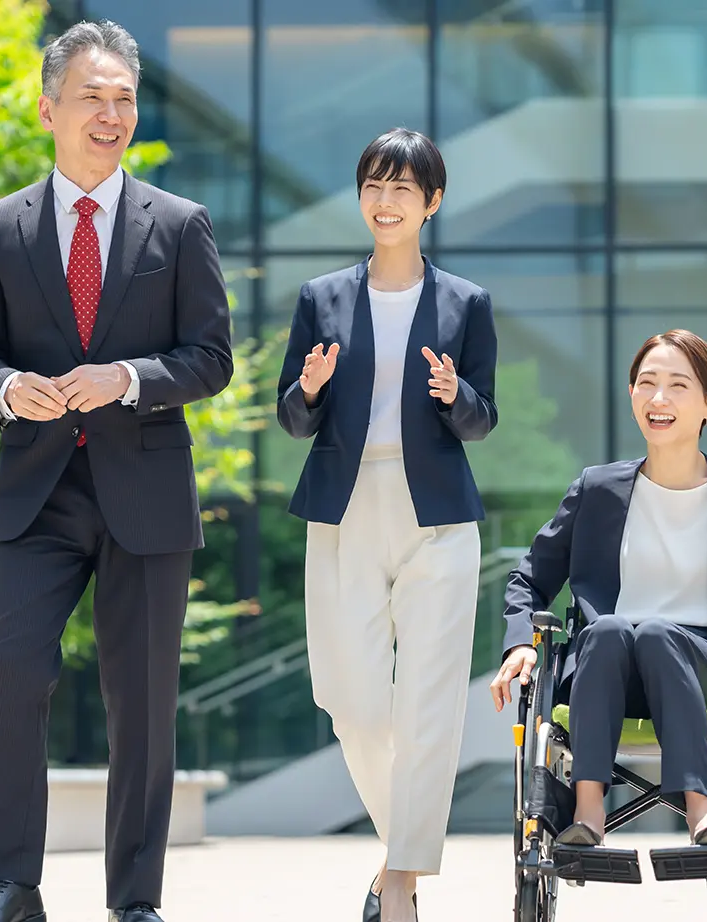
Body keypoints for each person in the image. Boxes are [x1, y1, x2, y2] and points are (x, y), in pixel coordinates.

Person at [0, 19, 233, 922]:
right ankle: (9, 887)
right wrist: (5, 391)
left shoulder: (180, 225)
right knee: (11, 672)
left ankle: (135, 901)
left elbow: (212, 358)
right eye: (91, 97)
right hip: (37, 491)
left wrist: (127, 379)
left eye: (124, 98)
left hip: (145, 492)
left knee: (142, 701)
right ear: (49, 108)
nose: (110, 114)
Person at [488, 330, 707, 849]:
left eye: (678, 385)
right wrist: (521, 641)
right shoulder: (595, 489)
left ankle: (701, 811)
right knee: (611, 629)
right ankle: (587, 809)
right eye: (646, 384)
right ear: (632, 394)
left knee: (657, 632)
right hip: (603, 673)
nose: (659, 399)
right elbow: (528, 579)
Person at [275, 127, 498, 922]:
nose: (385, 200)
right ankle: (393, 855)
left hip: (436, 515)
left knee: (428, 704)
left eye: (403, 187)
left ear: (432, 202)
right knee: (353, 704)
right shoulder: (322, 297)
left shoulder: (466, 303)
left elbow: (483, 420)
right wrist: (306, 389)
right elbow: (292, 419)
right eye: (374, 184)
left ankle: (400, 884)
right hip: (343, 506)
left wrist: (453, 396)